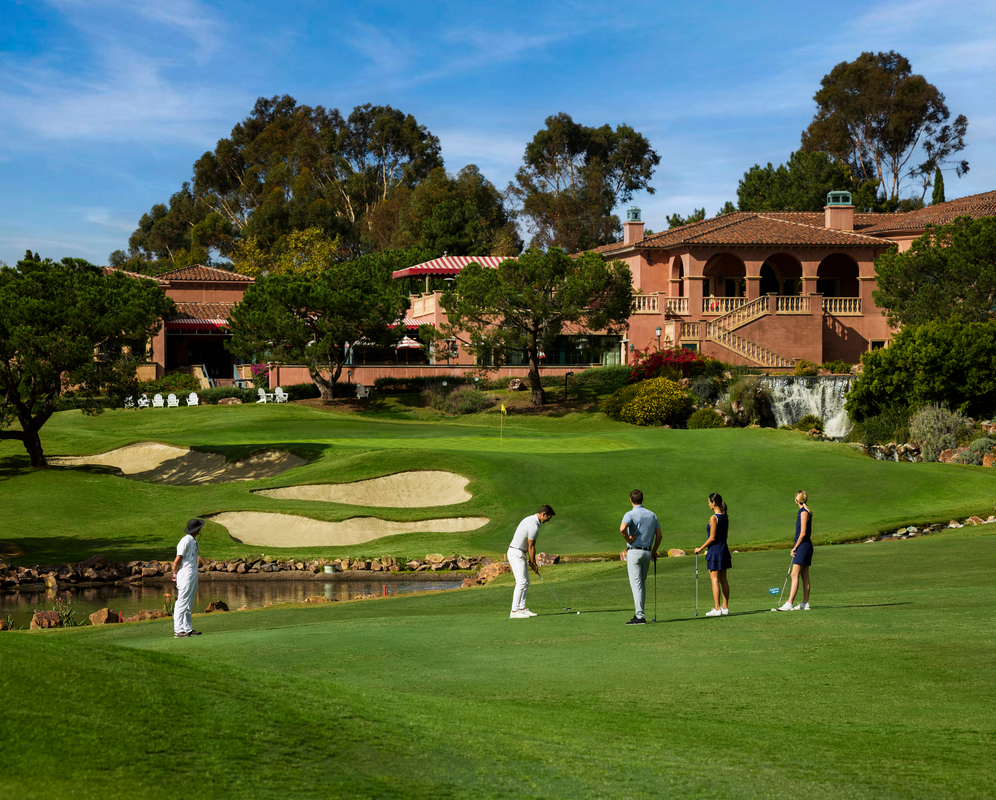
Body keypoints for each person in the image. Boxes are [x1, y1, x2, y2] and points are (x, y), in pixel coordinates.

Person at [619, 489, 662, 625]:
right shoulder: (652, 515)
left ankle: (639, 616)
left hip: (634, 552)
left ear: (631, 500)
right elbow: (659, 535)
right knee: (641, 584)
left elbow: (622, 529)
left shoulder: (629, 514)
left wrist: (628, 539)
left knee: (636, 584)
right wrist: (654, 551)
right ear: (642, 499)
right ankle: (639, 613)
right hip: (647, 552)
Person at [507, 505, 555, 618]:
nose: (548, 520)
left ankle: (522, 608)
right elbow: (531, 547)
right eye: (548, 517)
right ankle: (514, 611)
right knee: (521, 582)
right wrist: (533, 563)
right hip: (516, 553)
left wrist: (531, 562)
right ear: (543, 514)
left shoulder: (531, 520)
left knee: (526, 581)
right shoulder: (533, 525)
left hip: (519, 552)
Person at [694, 492, 732, 617]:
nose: (708, 504)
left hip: (715, 552)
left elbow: (712, 538)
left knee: (715, 580)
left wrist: (700, 548)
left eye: (709, 502)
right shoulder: (725, 517)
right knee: (723, 580)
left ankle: (717, 608)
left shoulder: (713, 518)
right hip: (724, 550)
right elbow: (725, 536)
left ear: (714, 502)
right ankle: (725, 607)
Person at [779, 490, 813, 611]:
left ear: (796, 500)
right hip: (805, 546)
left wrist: (795, 547)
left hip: (803, 546)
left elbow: (802, 533)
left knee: (794, 574)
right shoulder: (804, 511)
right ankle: (805, 603)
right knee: (804, 574)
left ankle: (790, 603)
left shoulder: (803, 513)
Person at [172, 518, 205, 637]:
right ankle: (178, 630)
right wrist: (175, 573)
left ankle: (188, 628)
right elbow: (177, 560)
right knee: (182, 602)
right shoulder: (185, 541)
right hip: (185, 575)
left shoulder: (193, 540)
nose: (201, 529)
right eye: (199, 527)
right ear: (196, 529)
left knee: (189, 603)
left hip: (193, 574)